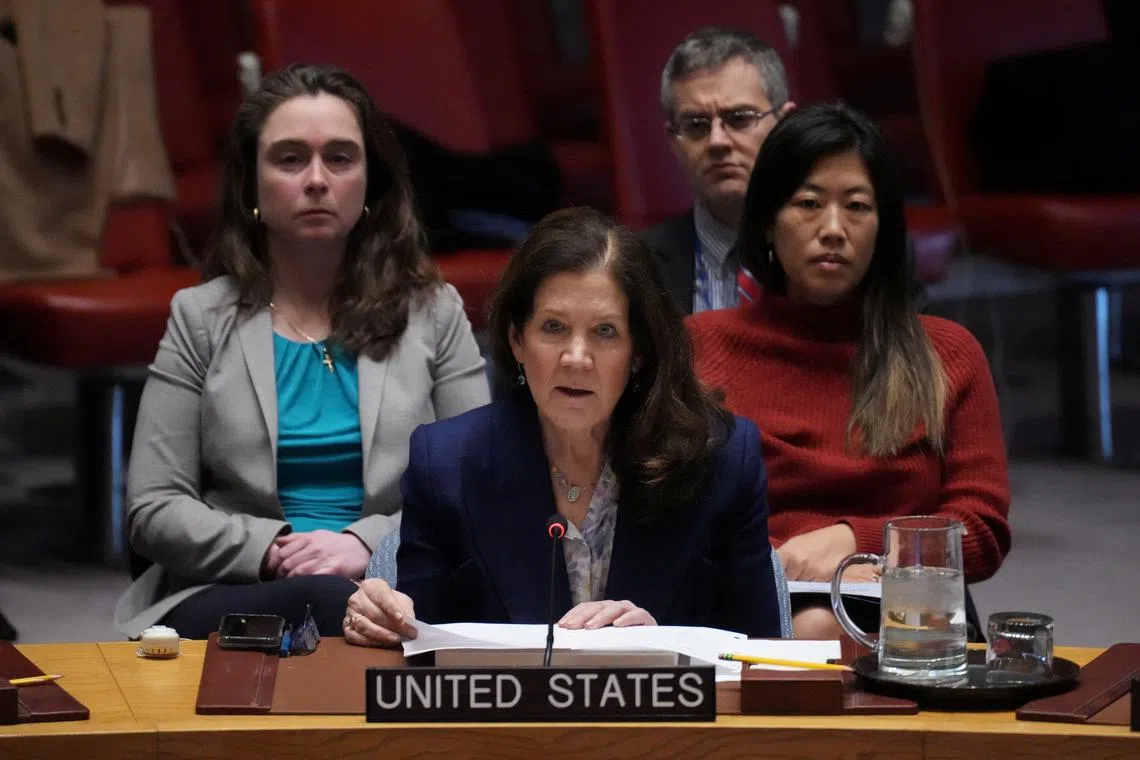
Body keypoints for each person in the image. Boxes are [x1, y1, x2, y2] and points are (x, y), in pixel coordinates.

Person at [113, 64, 490, 640]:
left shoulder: (433, 311)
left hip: (400, 578)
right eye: (290, 159)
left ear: (371, 181)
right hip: (239, 587)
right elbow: (153, 507)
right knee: (331, 601)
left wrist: (365, 544)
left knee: (387, 606)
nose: (316, 179)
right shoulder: (200, 317)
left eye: (340, 158)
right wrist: (273, 549)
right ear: (251, 184)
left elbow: (475, 488)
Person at [341, 207, 781, 646]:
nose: (576, 358)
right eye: (553, 328)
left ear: (639, 352)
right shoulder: (446, 464)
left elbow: (761, 655)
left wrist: (662, 646)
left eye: (605, 331)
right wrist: (386, 621)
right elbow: (420, 648)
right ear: (517, 340)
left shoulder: (720, 460)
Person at [688, 103, 1011, 639]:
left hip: (909, 618)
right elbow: (671, 514)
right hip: (746, 607)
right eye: (809, 204)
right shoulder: (699, 346)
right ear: (767, 220)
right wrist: (778, 563)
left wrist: (860, 544)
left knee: (824, 628)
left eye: (857, 206)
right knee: (814, 626)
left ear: (883, 227)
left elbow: (981, 530)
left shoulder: (946, 353)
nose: (834, 229)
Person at [641, 26, 795, 315]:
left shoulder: (842, 251)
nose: (717, 141)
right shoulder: (635, 269)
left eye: (739, 118)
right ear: (674, 142)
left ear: (784, 126)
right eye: (696, 125)